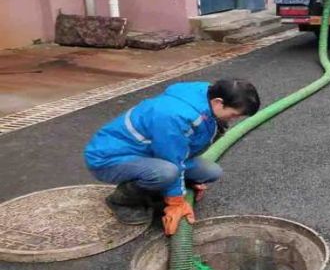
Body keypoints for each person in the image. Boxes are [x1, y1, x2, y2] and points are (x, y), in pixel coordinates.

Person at [84, 79, 260, 235]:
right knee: (167, 172)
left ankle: (159, 188)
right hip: (110, 158)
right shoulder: (173, 116)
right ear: (218, 102)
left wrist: (183, 184)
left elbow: (180, 151)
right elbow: (172, 159)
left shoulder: (206, 95)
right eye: (235, 114)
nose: (235, 119)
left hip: (149, 153)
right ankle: (122, 201)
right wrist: (176, 202)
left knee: (211, 171)